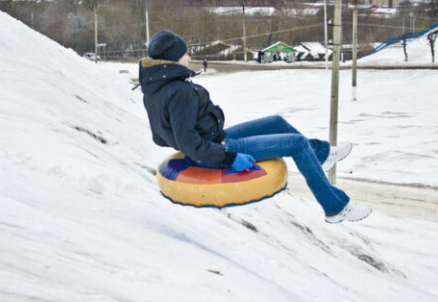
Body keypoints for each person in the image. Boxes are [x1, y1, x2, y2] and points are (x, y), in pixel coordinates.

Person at [138, 30, 371, 223]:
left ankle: (321, 155)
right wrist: (228, 158)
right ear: (173, 58)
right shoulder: (179, 91)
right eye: (185, 53)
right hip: (217, 148)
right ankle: (335, 207)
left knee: (276, 123)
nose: (188, 57)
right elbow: (188, 141)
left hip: (214, 138)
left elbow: (160, 137)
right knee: (298, 144)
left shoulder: (155, 88)